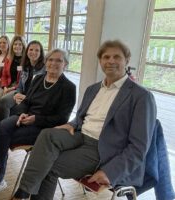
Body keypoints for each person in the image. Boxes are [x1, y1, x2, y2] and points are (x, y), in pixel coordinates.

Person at [11, 40, 157, 200]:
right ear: (100, 61)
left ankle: (23, 192)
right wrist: (70, 124)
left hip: (102, 148)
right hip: (79, 135)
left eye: (117, 57)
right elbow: (81, 118)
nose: (110, 61)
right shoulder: (93, 89)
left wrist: (111, 171)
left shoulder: (141, 96)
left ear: (127, 60)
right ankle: (24, 191)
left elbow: (139, 147)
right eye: (106, 57)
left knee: (48, 166)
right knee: (47, 134)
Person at [0, 49, 76, 197]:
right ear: (46, 62)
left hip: (44, 127)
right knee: (1, 127)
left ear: (65, 64)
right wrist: (21, 113)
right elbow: (26, 101)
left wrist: (36, 119)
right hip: (26, 117)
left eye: (59, 60)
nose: (53, 63)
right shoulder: (38, 79)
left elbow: (62, 119)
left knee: (5, 137)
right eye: (50, 59)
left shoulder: (68, 88)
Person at [0, 35, 26, 124]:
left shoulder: (25, 60)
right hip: (6, 84)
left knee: (3, 100)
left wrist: (12, 88)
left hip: (17, 88)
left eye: (20, 44)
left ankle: (1, 125)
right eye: (15, 44)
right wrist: (4, 87)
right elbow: (4, 75)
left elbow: (22, 81)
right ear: (12, 46)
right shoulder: (9, 58)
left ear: (23, 46)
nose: (17, 46)